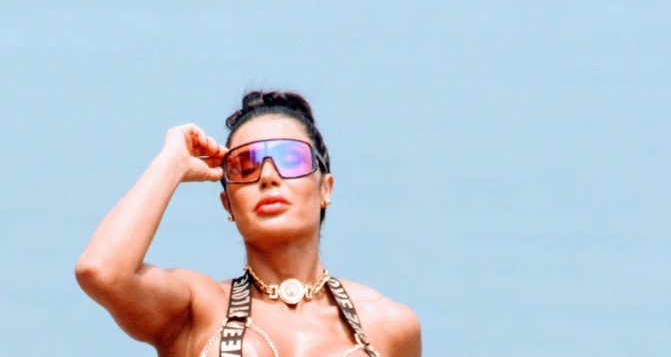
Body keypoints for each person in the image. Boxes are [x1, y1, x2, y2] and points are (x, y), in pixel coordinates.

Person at [75, 90, 422, 356]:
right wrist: (172, 161)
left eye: (290, 158)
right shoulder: (197, 309)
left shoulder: (389, 325)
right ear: (228, 203)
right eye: (246, 165)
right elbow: (102, 271)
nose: (268, 176)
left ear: (325, 189)